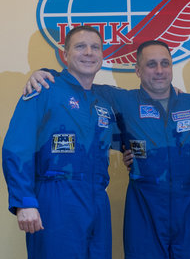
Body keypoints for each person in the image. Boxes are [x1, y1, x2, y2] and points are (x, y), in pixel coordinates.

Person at [23, 41, 190, 259]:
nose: (159, 70)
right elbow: (80, 81)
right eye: (151, 64)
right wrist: (47, 74)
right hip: (144, 205)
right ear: (137, 70)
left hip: (188, 205)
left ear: (172, 67)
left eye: (165, 63)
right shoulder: (121, 100)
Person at [2, 26, 119, 259]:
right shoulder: (44, 88)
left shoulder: (105, 102)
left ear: (102, 55)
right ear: (64, 54)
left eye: (95, 47)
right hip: (56, 199)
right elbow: (17, 147)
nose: (89, 52)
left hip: (97, 200)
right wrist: (24, 202)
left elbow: (132, 136)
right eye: (80, 46)